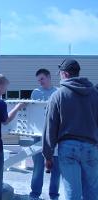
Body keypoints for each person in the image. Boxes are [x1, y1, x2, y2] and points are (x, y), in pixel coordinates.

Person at [42, 59, 98, 200]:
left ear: (65, 74)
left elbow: (50, 127)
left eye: (60, 73)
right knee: (92, 193)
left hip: (68, 148)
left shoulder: (58, 95)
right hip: (91, 147)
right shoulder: (94, 94)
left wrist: (48, 155)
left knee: (72, 193)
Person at [30, 69, 60, 200]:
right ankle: (35, 194)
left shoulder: (58, 92)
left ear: (48, 77)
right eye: (38, 80)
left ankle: (54, 195)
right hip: (38, 136)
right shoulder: (35, 93)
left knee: (56, 168)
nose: (40, 82)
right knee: (38, 167)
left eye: (42, 78)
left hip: (55, 136)